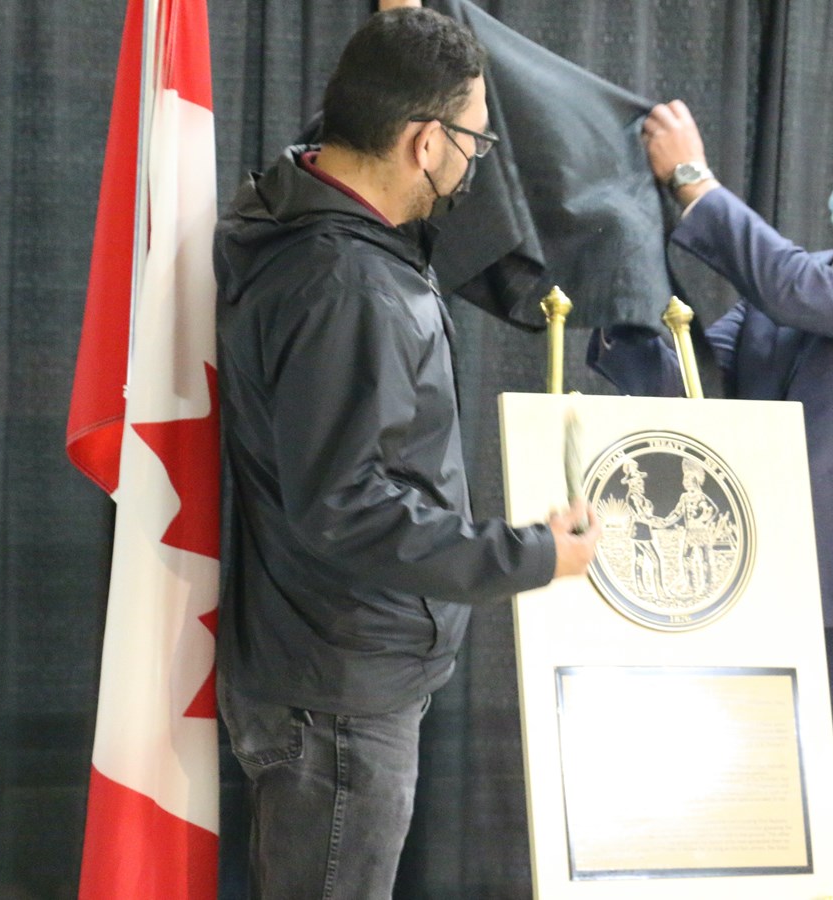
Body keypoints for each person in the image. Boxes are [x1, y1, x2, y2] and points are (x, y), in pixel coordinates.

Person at [212, 8, 601, 898]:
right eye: (472, 139)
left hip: (324, 666)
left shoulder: (299, 210)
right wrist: (536, 554)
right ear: (425, 142)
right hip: (342, 692)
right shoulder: (349, 284)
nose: (476, 162)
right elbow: (347, 505)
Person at [590, 84, 833, 899]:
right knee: (766, 859)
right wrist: (612, 277)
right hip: (768, 615)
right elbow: (694, 392)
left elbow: (797, 291)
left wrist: (693, 182)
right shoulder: (787, 291)